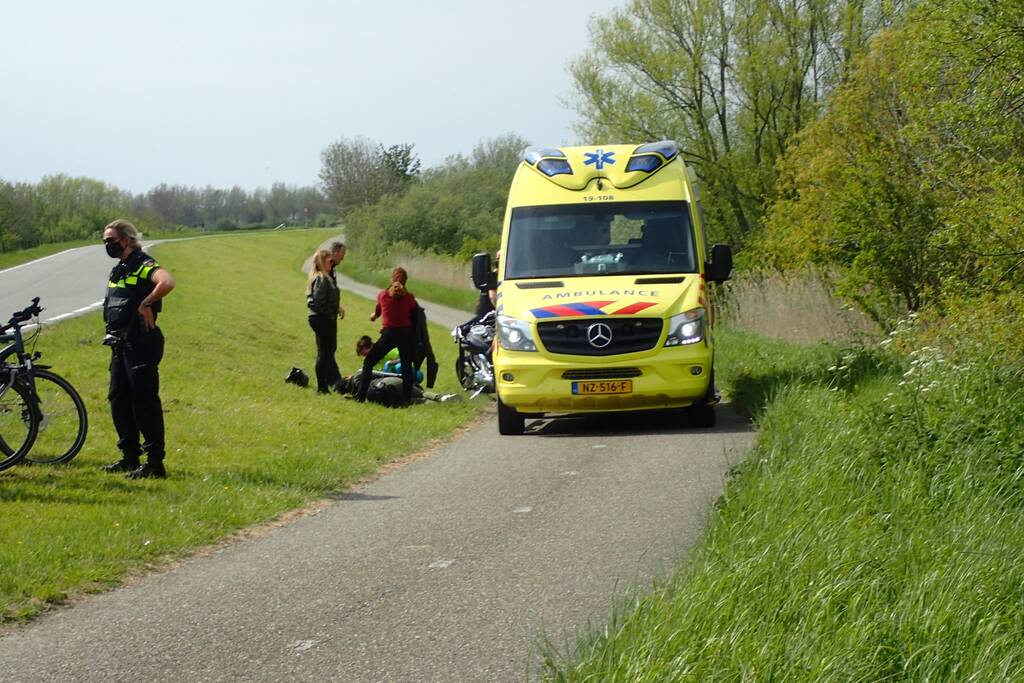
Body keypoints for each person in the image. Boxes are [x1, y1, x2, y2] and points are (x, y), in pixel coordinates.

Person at [100, 219, 175, 479]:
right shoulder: (118, 269)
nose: (108, 245)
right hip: (120, 344)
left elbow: (167, 282)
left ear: (127, 240)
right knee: (118, 399)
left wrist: (146, 303)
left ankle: (155, 463)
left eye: (111, 241)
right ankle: (129, 457)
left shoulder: (143, 264)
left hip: (141, 342)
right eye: (105, 242)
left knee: (144, 402)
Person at [355, 267, 418, 405]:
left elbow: (378, 310)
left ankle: (360, 396)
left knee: (369, 362)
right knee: (407, 367)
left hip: (389, 334)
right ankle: (406, 400)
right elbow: (414, 316)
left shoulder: (383, 295)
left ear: (391, 279)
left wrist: (375, 316)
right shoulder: (410, 298)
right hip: (405, 335)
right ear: (405, 282)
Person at [307, 249, 343, 393]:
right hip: (322, 319)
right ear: (323, 262)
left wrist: (337, 309)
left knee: (327, 351)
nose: (332, 264)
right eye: (330, 261)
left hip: (323, 318)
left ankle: (325, 385)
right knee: (324, 352)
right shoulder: (321, 278)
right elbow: (318, 301)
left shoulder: (325, 277)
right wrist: (329, 314)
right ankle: (322, 387)